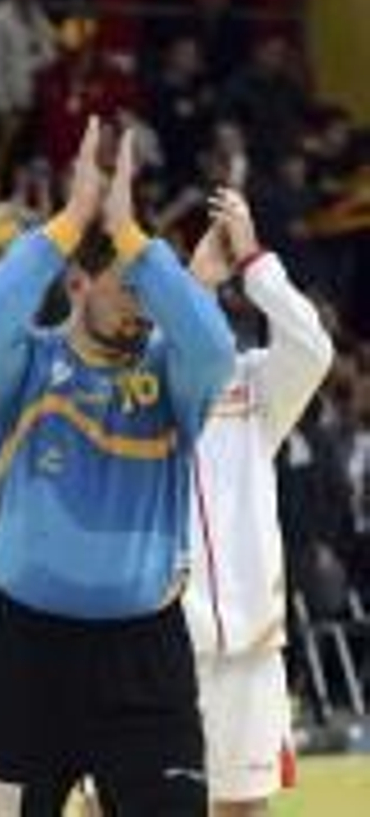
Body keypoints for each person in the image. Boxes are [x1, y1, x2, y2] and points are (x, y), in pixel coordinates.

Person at [0, 118, 236, 814]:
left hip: (144, 659)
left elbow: (214, 346)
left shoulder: (174, 375)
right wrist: (73, 216)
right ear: (78, 282)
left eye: (151, 289)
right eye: (128, 287)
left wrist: (134, 235)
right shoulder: (26, 367)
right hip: (22, 653)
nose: (144, 306)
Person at [182, 189, 332, 816]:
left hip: (249, 642)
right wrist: (191, 283)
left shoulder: (256, 385)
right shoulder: (140, 382)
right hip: (157, 637)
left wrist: (254, 261)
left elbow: (313, 348)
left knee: (243, 809)